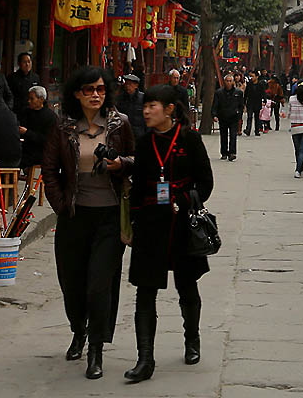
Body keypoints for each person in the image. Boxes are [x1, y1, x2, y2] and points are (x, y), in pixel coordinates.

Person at [42, 66, 135, 380]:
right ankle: (77, 331)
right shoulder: (63, 127)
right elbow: (50, 170)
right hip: (74, 216)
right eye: (88, 89)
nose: (96, 95)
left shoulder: (120, 124)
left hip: (109, 216)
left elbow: (136, 161)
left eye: (100, 89)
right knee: (72, 283)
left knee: (99, 284)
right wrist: (60, 204)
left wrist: (121, 163)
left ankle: (96, 348)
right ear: (76, 94)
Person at [125, 84, 213, 384]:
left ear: (170, 109)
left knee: (187, 286)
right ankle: (145, 358)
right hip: (151, 225)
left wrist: (184, 200)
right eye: (145, 106)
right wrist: (134, 220)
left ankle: (192, 339)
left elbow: (206, 183)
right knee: (145, 291)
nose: (146, 111)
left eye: (153, 106)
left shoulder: (190, 139)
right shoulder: (145, 142)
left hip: (182, 224)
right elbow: (138, 186)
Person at [19, 85, 58, 168]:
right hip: (25, 149)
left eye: (32, 99)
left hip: (40, 153)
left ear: (41, 99)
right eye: (28, 98)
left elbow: (48, 140)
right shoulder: (26, 113)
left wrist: (27, 133)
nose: (29, 101)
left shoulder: (50, 117)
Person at [211, 73, 244, 161]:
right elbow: (215, 105)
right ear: (224, 82)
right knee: (223, 135)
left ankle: (232, 153)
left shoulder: (238, 92)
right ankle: (224, 152)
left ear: (233, 82)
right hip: (223, 116)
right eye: (227, 81)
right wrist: (214, 115)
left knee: (233, 136)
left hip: (234, 117)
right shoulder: (219, 92)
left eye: (230, 81)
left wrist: (239, 115)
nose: (229, 83)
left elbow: (241, 105)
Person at [7, 51, 40, 118]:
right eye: (24, 62)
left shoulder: (35, 77)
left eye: (29, 61)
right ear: (19, 63)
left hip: (32, 111)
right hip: (17, 111)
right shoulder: (12, 78)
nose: (27, 64)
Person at [117, 73, 146, 140]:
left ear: (136, 86)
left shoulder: (143, 98)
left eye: (130, 84)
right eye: (126, 84)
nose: (127, 86)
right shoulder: (120, 98)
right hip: (124, 134)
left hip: (139, 135)